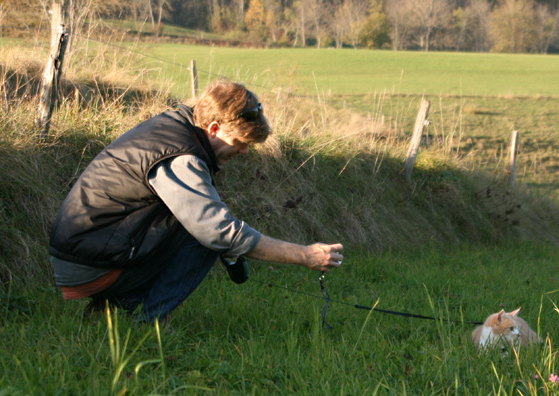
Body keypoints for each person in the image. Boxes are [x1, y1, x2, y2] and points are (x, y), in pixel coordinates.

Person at [49, 80, 344, 323]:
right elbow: (218, 231)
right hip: (89, 262)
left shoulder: (174, 129)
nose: (244, 152)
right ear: (213, 128)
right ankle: (142, 319)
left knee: (204, 226)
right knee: (211, 237)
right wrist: (304, 256)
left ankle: (111, 309)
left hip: (90, 249)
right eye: (240, 142)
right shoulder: (181, 155)